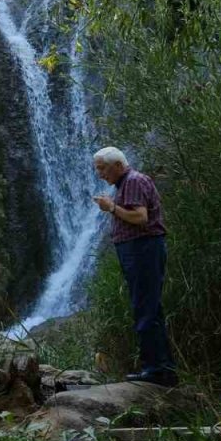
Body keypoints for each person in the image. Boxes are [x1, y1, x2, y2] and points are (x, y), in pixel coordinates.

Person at [93, 147, 176, 386]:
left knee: (146, 308)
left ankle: (156, 370)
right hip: (139, 250)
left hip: (142, 249)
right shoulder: (126, 183)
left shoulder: (133, 181)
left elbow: (141, 218)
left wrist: (111, 207)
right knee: (148, 307)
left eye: (102, 168)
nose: (100, 174)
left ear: (118, 164)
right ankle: (162, 368)